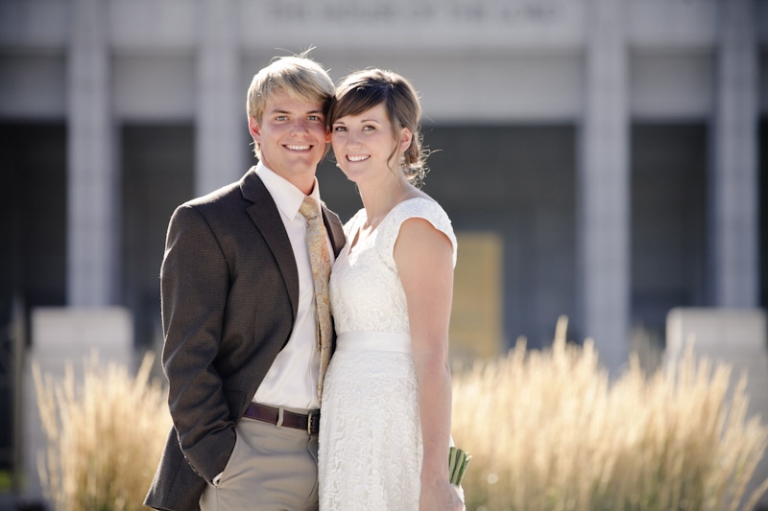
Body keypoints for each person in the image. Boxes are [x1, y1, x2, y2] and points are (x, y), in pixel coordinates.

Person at [144, 52, 346, 511]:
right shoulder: (208, 221)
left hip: (330, 458)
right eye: (282, 117)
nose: (300, 130)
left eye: (313, 117)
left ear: (329, 133)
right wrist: (222, 461)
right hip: (248, 458)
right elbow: (186, 357)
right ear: (255, 127)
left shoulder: (335, 230)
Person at [318, 69, 464, 510]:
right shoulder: (355, 226)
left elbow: (432, 358)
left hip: (395, 427)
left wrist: (437, 478)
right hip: (347, 425)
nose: (351, 142)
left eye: (368, 128)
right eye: (341, 129)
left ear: (403, 139)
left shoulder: (416, 223)